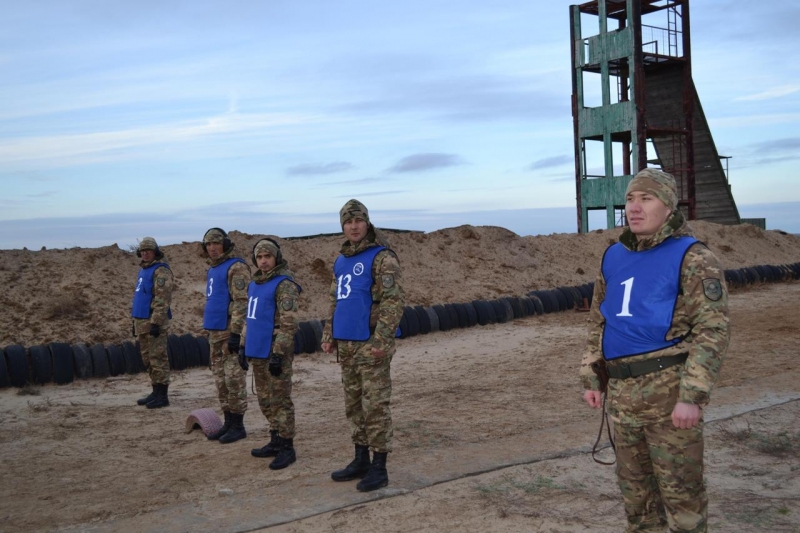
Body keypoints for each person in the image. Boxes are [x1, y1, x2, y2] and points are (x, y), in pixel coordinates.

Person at [580, 169, 730, 533]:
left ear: (668, 206)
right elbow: (600, 320)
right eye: (630, 199)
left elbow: (712, 330)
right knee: (637, 500)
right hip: (622, 397)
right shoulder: (613, 256)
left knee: (682, 498)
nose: (634, 207)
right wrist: (592, 375)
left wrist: (692, 396)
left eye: (646, 199)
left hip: (668, 395)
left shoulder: (693, 257)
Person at [321, 199, 404, 492]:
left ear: (367, 223)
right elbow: (336, 300)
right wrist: (329, 334)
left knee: (375, 406)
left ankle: (379, 466)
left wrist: (381, 340)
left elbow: (393, 302)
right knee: (354, 405)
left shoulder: (383, 258)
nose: (353, 226)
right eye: (348, 222)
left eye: (358, 221)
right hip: (347, 345)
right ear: (342, 226)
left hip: (371, 344)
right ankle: (361, 459)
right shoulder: (340, 260)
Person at [240, 238, 302, 470]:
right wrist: (243, 346)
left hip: (275, 349)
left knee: (280, 400)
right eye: (259, 257)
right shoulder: (254, 284)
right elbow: (250, 318)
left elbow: (289, 324)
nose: (263, 261)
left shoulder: (284, 284)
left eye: (268, 256)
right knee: (265, 399)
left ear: (276, 257)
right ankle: (275, 439)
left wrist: (278, 354)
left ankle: (287, 447)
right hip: (258, 349)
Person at [201, 227, 252, 443]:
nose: (212, 248)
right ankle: (228, 422)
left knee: (233, 380)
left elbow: (242, 302)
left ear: (225, 245)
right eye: (208, 244)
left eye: (216, 243)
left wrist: (236, 333)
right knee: (220, 381)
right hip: (215, 333)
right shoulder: (214, 269)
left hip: (229, 333)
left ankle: (238, 426)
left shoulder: (236, 267)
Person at [131, 237, 174, 409]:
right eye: (142, 251)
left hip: (154, 323)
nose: (145, 253)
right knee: (147, 359)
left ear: (155, 252)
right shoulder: (144, 270)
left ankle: (162, 395)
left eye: (148, 250)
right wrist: (134, 321)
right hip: (142, 322)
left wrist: (155, 322)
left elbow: (162, 299)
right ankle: (155, 391)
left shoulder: (161, 270)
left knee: (158, 358)